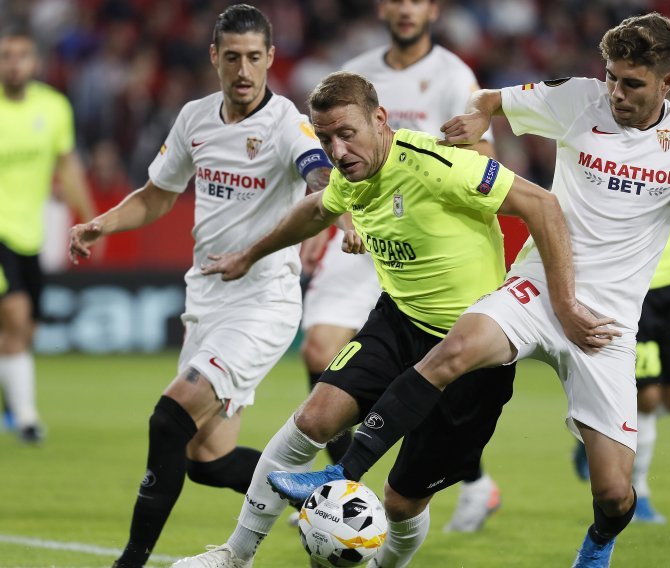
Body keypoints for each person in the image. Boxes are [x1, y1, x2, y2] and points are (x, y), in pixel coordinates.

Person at [268, 12, 670, 567]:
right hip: (538, 288)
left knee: (614, 493)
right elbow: (489, 99)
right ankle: (342, 472)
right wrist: (478, 119)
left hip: (606, 323)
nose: (616, 93)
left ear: (668, 81)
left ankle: (599, 541)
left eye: (632, 83)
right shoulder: (579, 98)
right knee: (452, 351)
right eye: (611, 77)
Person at [172, 70, 606, 568]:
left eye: (346, 133)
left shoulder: (438, 165)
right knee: (312, 420)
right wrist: (249, 255)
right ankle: (235, 555)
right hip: (398, 323)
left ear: (379, 119)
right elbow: (315, 210)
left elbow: (543, 205)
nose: (337, 151)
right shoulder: (351, 175)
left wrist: (564, 303)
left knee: (401, 503)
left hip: (472, 348)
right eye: (325, 139)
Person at [67, 5, 332, 567]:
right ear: (214, 56)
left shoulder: (286, 122)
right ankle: (333, 497)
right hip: (206, 301)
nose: (243, 70)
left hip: (262, 302)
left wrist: (332, 208)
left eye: (254, 57)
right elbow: (156, 195)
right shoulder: (194, 118)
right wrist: (102, 223)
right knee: (207, 461)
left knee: (168, 417)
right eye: (232, 57)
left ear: (271, 58)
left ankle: (129, 562)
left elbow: (318, 174)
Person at [298, 0, 501, 533]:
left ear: (432, 9)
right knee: (319, 349)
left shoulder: (453, 75)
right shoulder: (356, 71)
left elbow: (480, 157)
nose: (405, 9)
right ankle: (339, 497)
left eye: (416, 0)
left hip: (425, 239)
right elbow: (333, 159)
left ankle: (473, 481)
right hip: (364, 232)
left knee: (428, 382)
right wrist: (332, 220)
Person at [572, 177, 670, 525]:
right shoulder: (626, 157)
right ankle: (638, 491)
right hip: (631, 291)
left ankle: (602, 433)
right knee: (646, 397)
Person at [0, 23, 96, 444]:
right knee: (17, 315)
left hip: (31, 235)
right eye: (6, 56)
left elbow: (68, 166)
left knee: (25, 330)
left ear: (35, 62)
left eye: (21, 56)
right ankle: (26, 418)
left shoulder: (54, 108)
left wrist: (90, 219)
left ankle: (11, 403)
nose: (13, 64)